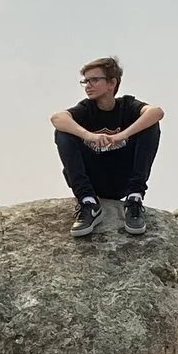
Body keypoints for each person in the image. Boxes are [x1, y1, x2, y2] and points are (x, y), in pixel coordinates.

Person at [50, 56, 163, 238]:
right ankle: (88, 203)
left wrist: (122, 135)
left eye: (94, 80)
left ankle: (134, 200)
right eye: (85, 81)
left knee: (150, 124)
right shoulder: (86, 109)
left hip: (122, 180)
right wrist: (89, 136)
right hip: (95, 182)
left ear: (112, 83)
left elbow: (156, 112)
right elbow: (57, 118)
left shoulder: (127, 106)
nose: (88, 85)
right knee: (63, 132)